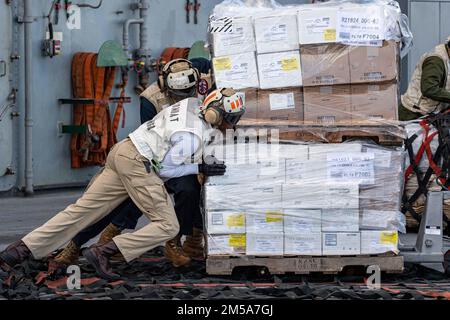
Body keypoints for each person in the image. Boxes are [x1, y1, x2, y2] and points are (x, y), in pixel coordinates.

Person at [0, 88, 245, 280]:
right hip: (140, 163)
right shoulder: (191, 137)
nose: (230, 125)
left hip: (123, 150)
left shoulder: (191, 104)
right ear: (216, 114)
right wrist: (200, 168)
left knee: (80, 211)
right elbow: (167, 170)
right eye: (230, 119)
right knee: (168, 226)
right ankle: (102, 252)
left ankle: (17, 251)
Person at [50, 58, 213, 270]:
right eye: (179, 94)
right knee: (120, 200)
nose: (185, 97)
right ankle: (82, 242)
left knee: (189, 190)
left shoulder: (197, 79)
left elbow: (208, 62)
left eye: (189, 92)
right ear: (165, 86)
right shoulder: (150, 100)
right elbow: (153, 143)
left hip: (186, 157)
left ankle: (182, 241)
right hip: (155, 157)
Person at [399, 36, 450, 121]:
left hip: (429, 113)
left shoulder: (447, 57)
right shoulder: (436, 60)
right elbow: (429, 89)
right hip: (413, 114)